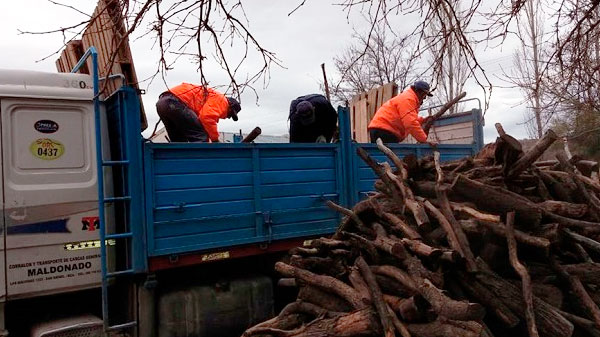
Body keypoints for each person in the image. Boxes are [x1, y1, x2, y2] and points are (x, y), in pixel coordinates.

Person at [156, 83, 241, 142]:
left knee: (179, 141)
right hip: (175, 102)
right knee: (201, 136)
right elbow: (207, 117)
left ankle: (180, 165)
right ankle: (202, 165)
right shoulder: (223, 101)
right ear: (230, 107)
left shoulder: (206, 99)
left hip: (162, 103)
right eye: (230, 114)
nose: (228, 117)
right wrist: (215, 140)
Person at [368, 80, 437, 145]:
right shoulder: (408, 99)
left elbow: (407, 118)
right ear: (420, 92)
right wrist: (424, 140)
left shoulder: (407, 97)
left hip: (381, 129)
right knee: (389, 156)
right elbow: (410, 123)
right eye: (424, 95)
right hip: (385, 131)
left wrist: (422, 120)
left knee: (381, 156)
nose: (424, 98)